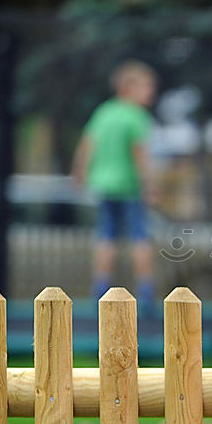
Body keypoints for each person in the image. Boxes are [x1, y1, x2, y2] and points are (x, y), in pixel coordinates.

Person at [70, 59, 159, 308]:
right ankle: (146, 291)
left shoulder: (104, 112)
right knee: (139, 236)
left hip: (104, 185)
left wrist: (79, 171)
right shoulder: (135, 116)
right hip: (129, 187)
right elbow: (139, 153)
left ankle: (100, 287)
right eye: (146, 87)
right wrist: (149, 185)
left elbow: (88, 143)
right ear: (127, 88)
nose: (151, 92)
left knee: (106, 236)